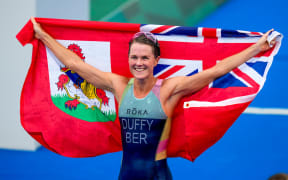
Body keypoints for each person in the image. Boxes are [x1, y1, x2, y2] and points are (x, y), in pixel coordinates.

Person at [31, 17, 276, 180]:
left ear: (155, 61)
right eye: (134, 57)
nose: (139, 63)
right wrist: (43, 36)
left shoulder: (169, 89)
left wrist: (257, 47)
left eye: (145, 58)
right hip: (125, 174)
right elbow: (74, 64)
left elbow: (216, 71)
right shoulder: (117, 85)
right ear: (128, 59)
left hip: (156, 175)